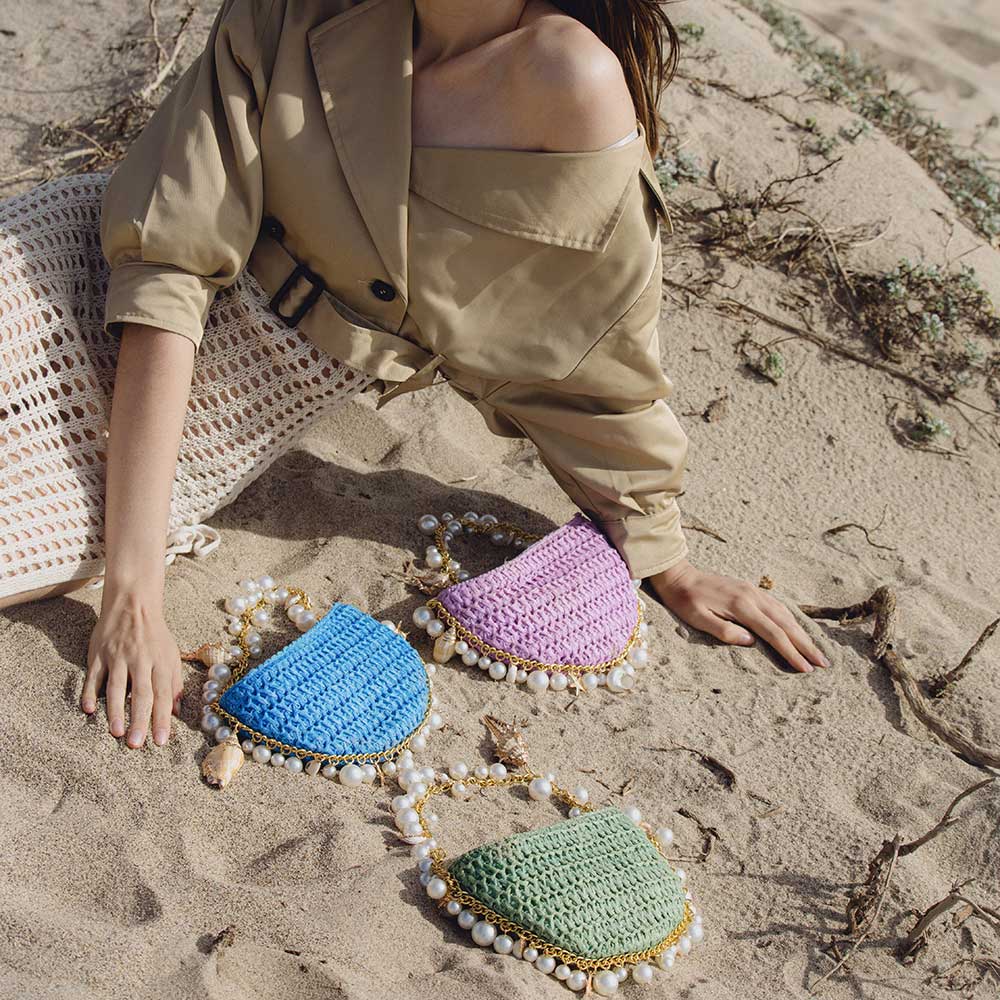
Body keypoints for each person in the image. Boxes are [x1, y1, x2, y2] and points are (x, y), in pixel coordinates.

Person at [0, 0, 828, 750]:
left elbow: (586, 352)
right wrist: (136, 585)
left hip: (218, 406)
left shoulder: (564, 80)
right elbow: (166, 267)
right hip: (78, 273)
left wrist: (660, 550)